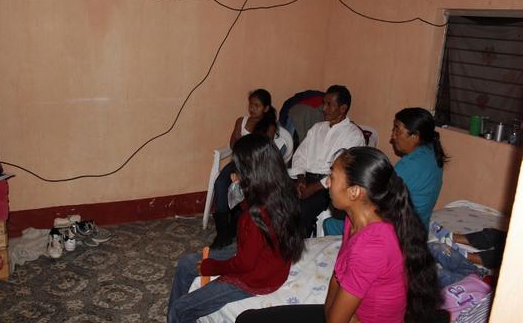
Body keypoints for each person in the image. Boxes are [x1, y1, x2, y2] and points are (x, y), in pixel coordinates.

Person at [236, 147, 447, 323]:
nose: (327, 183)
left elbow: (335, 319)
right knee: (248, 319)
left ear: (354, 192)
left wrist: (336, 304)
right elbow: (338, 276)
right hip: (346, 315)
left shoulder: (374, 243)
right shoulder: (354, 219)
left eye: (332, 177)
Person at [167, 134, 304, 323]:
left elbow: (243, 265)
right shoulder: (281, 193)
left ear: (250, 173)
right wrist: (241, 193)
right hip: (263, 260)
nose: (234, 170)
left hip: (254, 279)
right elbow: (254, 241)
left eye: (237, 167)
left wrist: (211, 266)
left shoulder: (255, 217)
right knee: (186, 264)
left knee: (179, 310)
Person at [324, 107, 448, 235]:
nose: (393, 136)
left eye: (397, 129)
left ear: (415, 136)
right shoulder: (431, 153)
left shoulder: (410, 164)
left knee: (330, 223)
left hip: (401, 230)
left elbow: (377, 197)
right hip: (419, 225)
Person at [288, 85, 365, 237]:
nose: (323, 108)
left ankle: (297, 249)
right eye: (324, 103)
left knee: (301, 211)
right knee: (275, 198)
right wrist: (301, 178)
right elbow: (301, 155)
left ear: (343, 108)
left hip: (330, 184)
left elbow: (344, 171)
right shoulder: (317, 128)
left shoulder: (353, 135)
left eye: (329, 104)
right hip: (306, 178)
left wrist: (313, 188)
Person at [210, 89, 278, 249]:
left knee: (247, 188)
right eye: (250, 105)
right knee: (220, 183)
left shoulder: (269, 126)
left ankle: (237, 225)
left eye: (257, 105)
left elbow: (261, 150)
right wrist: (243, 145)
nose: (252, 108)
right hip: (238, 162)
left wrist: (244, 145)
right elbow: (234, 143)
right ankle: (222, 232)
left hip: (255, 166)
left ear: (266, 108)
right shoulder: (241, 121)